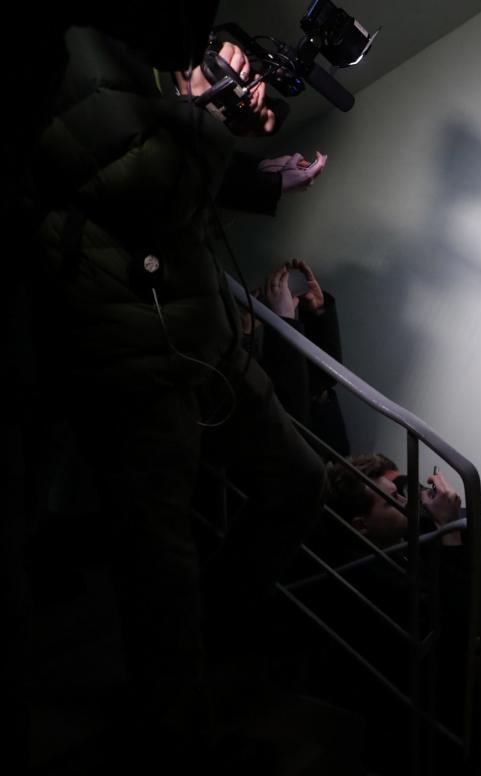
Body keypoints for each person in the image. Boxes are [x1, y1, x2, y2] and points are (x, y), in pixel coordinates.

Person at [29, 25, 325, 772]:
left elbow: (172, 160)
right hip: (128, 353)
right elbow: (140, 179)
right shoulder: (83, 47)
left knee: (298, 482)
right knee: (158, 564)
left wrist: (264, 173)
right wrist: (215, 110)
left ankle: (205, 651)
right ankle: (179, 736)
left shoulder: (158, 62)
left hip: (205, 338)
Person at [318, 455, 481, 775]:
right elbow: (457, 630)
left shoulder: (404, 541)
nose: (403, 500)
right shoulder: (368, 583)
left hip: (479, 669)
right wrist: (449, 533)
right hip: (457, 708)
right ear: (362, 526)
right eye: (390, 500)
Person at [246, 258, 351, 455]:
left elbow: (286, 415)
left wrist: (281, 324)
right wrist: (316, 313)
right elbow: (320, 386)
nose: (391, 485)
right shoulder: (341, 462)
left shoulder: (332, 472)